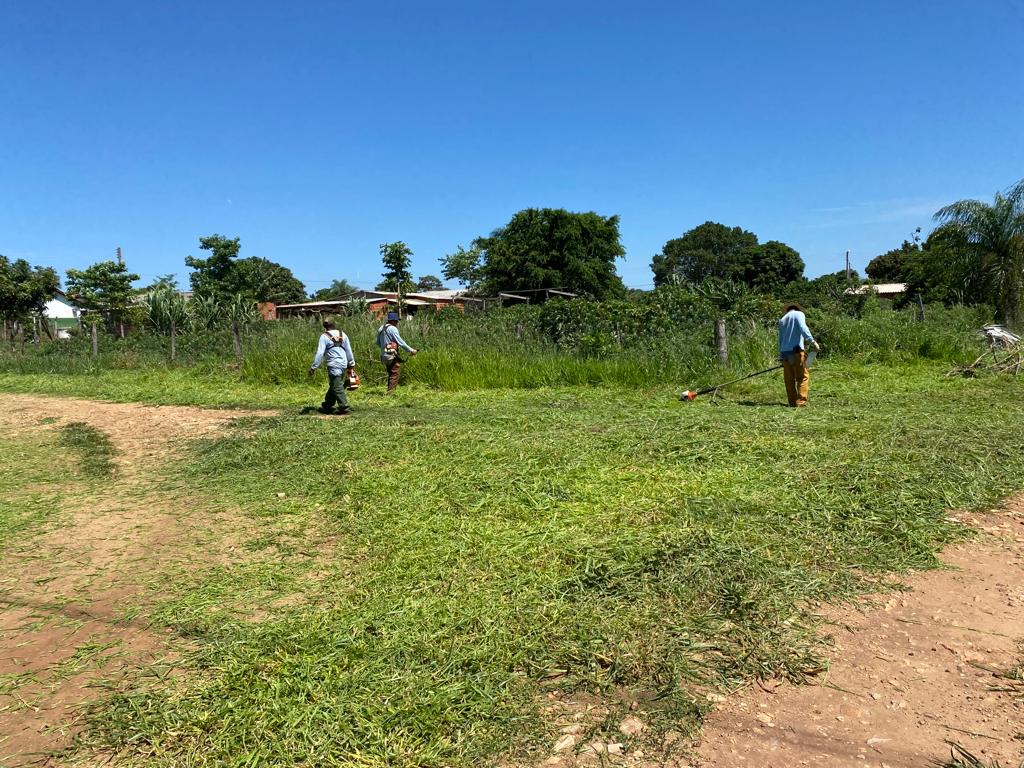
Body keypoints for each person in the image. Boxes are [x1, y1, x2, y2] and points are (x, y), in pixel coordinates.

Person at [309, 319, 356, 414]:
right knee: (334, 384)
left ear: (324, 327)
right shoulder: (343, 334)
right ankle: (327, 405)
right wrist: (351, 364)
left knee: (337, 386)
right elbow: (349, 350)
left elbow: (320, 353)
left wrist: (314, 367)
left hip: (333, 364)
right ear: (334, 324)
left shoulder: (324, 336)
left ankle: (344, 407)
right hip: (343, 364)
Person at [778, 302, 820, 407]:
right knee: (802, 376)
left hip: (785, 352)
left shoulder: (782, 320)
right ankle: (800, 402)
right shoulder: (799, 314)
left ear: (788, 310)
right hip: (796, 350)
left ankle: (792, 402)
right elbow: (803, 328)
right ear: (797, 309)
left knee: (789, 378)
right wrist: (813, 342)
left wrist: (781, 356)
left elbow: (780, 339)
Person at [376, 311, 417, 392]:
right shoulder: (393, 329)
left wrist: (384, 348)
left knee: (391, 373)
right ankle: (390, 393)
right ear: (393, 320)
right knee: (395, 374)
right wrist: (411, 350)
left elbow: (377, 342)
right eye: (396, 320)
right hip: (391, 356)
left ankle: (389, 390)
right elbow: (401, 342)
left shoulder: (381, 328)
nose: (397, 322)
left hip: (383, 355)